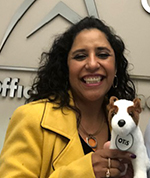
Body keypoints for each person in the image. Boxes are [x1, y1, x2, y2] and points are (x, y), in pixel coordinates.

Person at [0, 16, 136, 178]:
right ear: (66, 68)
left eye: (102, 54)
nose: (92, 64)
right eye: (80, 56)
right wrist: (85, 172)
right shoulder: (31, 118)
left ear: (115, 68)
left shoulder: (125, 125)